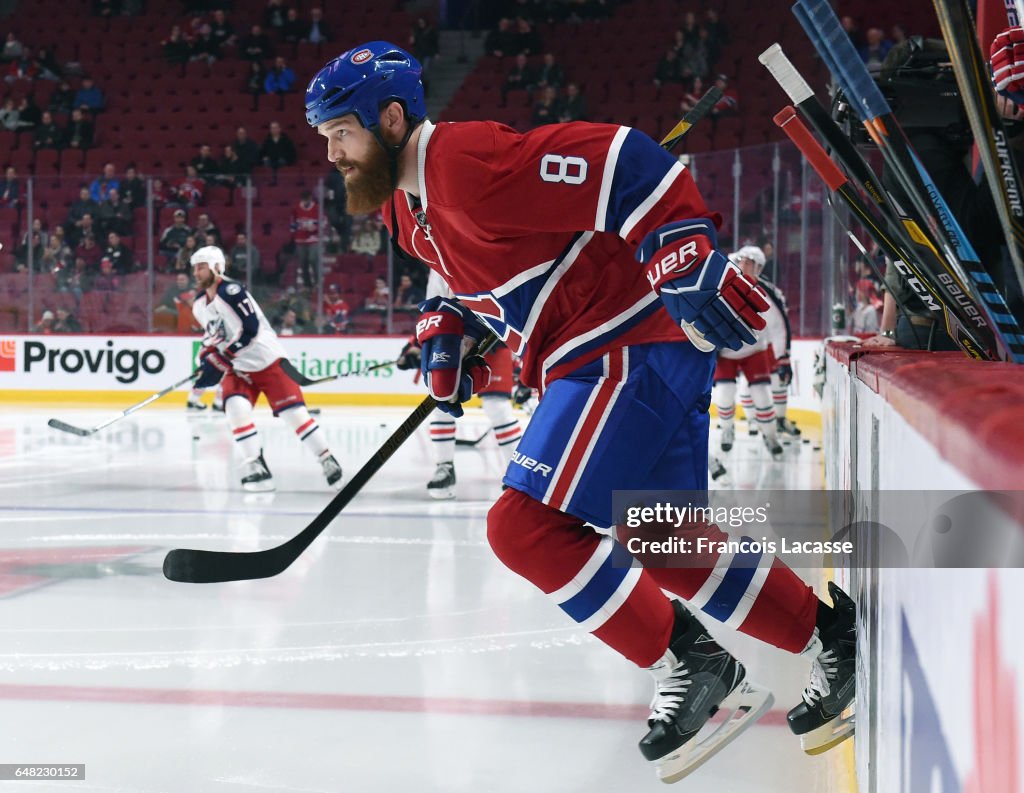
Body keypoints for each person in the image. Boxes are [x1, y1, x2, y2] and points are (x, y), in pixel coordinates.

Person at [305, 42, 856, 780]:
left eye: (341, 132)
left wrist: (679, 246)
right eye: (325, 138)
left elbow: (630, 160)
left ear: (392, 118)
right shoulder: (410, 215)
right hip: (606, 349)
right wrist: (453, 328)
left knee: (524, 524)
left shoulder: (464, 162)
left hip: (624, 338)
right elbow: (484, 282)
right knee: (663, 539)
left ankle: (697, 666)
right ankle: (832, 636)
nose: (333, 152)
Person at [190, 245, 343, 490]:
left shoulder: (231, 291)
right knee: (235, 410)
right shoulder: (199, 304)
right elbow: (212, 337)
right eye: (194, 267)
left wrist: (223, 357)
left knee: (294, 415)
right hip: (238, 367)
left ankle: (326, 458)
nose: (196, 273)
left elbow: (250, 328)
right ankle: (255, 465)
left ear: (217, 268)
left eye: (201, 267)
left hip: (267, 361)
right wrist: (206, 357)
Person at [396, 271, 523, 499]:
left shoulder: (483, 242)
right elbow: (434, 310)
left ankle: (517, 476)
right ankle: (444, 467)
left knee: (497, 408)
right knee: (441, 401)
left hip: (494, 340)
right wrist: (415, 345)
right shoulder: (435, 261)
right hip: (454, 337)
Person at [712, 246, 783, 459]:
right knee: (724, 394)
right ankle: (727, 430)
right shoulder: (722, 282)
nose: (743, 264)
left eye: (748, 261)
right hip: (727, 350)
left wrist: (782, 354)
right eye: (741, 259)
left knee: (761, 395)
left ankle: (770, 437)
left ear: (758, 266)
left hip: (755, 349)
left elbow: (777, 324)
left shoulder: (765, 290)